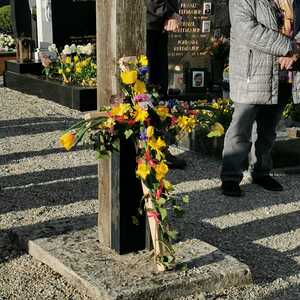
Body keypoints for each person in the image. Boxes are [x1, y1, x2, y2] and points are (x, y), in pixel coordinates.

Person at [221, 0, 300, 197]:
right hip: (254, 73)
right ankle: (231, 176)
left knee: (268, 129)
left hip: (285, 73)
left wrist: (296, 51)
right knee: (241, 128)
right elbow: (247, 30)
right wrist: (288, 47)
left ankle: (261, 171)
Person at [147, 0, 187, 169]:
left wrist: (170, 12)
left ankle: (157, 150)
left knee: (157, 91)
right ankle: (149, 152)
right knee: (149, 90)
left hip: (155, 25)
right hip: (146, 24)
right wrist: (169, 13)